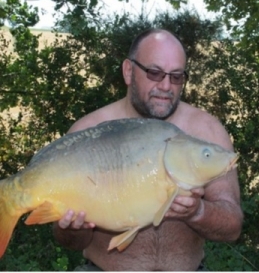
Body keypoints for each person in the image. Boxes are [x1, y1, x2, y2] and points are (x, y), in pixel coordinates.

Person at [53, 28, 243, 271]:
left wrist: (198, 212)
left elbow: (232, 226)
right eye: (154, 73)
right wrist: (71, 228)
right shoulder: (89, 133)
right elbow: (69, 241)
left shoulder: (206, 132)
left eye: (176, 76)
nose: (166, 86)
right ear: (129, 71)